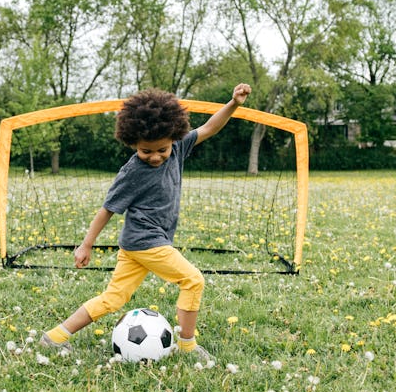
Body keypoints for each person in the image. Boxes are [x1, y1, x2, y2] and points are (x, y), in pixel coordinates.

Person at [39, 83, 252, 360]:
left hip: (133, 246)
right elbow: (107, 209)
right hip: (145, 241)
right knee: (193, 281)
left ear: (173, 138)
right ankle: (188, 346)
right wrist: (86, 245)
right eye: (145, 151)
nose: (154, 156)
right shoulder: (132, 172)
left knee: (113, 299)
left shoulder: (177, 148)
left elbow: (210, 127)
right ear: (132, 143)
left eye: (161, 150)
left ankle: (54, 337)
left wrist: (233, 103)